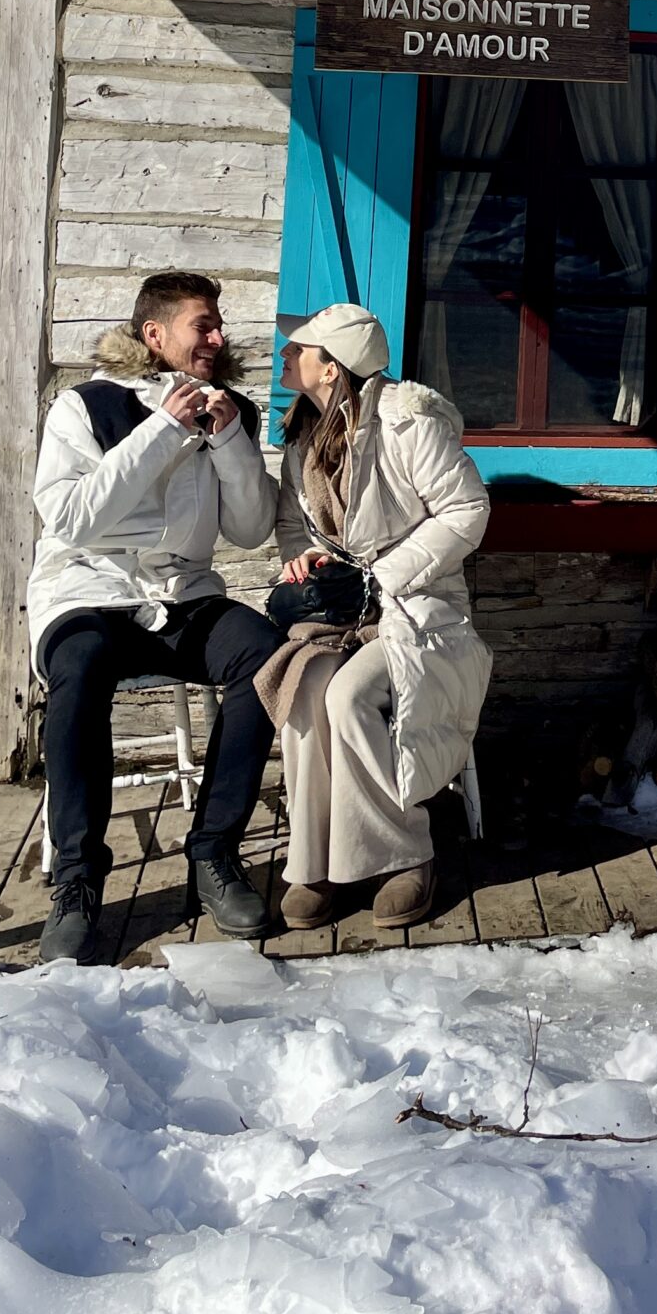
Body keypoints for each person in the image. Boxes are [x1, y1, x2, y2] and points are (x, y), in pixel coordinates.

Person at [27, 270, 281, 965]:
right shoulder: (85, 406)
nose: (218, 337)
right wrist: (164, 429)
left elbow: (254, 528)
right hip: (89, 593)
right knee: (77, 670)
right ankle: (77, 885)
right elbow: (72, 518)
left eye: (218, 324)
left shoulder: (232, 411)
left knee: (264, 655)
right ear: (155, 334)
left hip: (184, 596)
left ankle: (214, 855)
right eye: (204, 324)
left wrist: (229, 443)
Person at [262, 303, 491, 931]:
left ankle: (403, 854)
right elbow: (290, 522)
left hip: (417, 605)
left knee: (347, 696)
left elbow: (468, 509)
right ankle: (314, 860)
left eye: (298, 348)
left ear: (331, 368)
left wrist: (385, 574)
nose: (286, 355)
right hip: (342, 607)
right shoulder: (304, 435)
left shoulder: (406, 423)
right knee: (304, 687)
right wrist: (303, 557)